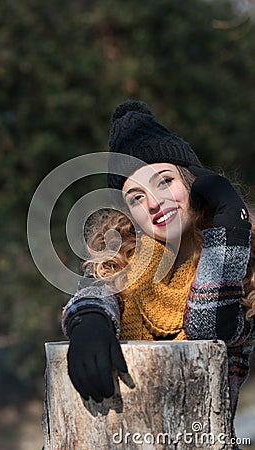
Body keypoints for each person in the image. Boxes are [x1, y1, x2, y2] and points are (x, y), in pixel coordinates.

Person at [61, 100, 255, 440]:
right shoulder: (124, 264)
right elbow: (95, 291)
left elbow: (208, 330)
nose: (152, 202)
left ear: (194, 183)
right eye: (136, 197)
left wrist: (228, 226)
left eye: (163, 181)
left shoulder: (244, 266)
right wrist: (88, 320)